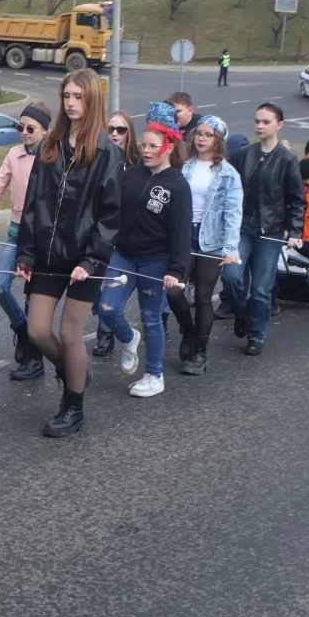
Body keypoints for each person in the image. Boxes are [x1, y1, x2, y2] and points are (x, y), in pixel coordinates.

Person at [15, 68, 122, 437]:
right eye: (67, 96)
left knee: (71, 333)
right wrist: (25, 254)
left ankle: (72, 406)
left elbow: (110, 216)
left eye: (78, 96)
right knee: (38, 329)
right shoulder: (50, 143)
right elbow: (33, 204)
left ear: (91, 99)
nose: (71, 103)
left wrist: (91, 261)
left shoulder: (108, 152)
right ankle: (75, 375)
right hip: (47, 255)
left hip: (86, 261)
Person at [98, 103, 192, 397]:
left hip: (156, 260)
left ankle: (154, 375)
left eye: (153, 145)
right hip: (124, 254)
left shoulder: (178, 185)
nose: (146, 150)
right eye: (144, 145)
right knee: (106, 307)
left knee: (152, 317)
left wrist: (176, 270)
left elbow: (181, 232)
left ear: (169, 146)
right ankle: (128, 338)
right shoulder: (132, 175)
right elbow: (111, 212)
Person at [167, 115, 244, 376]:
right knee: (174, 292)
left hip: (211, 240)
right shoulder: (184, 166)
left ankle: (199, 352)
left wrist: (231, 249)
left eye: (207, 135)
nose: (200, 138)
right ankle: (188, 331)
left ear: (218, 140)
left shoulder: (228, 174)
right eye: (198, 133)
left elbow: (233, 214)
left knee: (202, 297)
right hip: (184, 236)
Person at [228, 103, 306, 355]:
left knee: (262, 287)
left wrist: (295, 231)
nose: (259, 126)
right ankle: (242, 312)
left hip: (270, 230)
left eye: (265, 122)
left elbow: (297, 199)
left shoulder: (287, 159)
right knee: (231, 275)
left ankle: (256, 335)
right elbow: (230, 189)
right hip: (243, 225)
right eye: (257, 121)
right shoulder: (244, 154)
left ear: (279, 125)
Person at [0, 103, 50, 380]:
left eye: (30, 128)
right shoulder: (13, 154)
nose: (24, 132)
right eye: (19, 127)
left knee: (34, 296)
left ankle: (35, 359)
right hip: (15, 232)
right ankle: (22, 330)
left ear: (45, 130)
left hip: (43, 236)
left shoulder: (52, 157)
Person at [92, 110, 142, 358]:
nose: (114, 134)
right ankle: (104, 322)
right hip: (98, 229)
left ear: (129, 133)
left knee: (110, 285)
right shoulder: (98, 157)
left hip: (123, 235)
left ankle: (105, 334)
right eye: (110, 128)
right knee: (87, 283)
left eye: (120, 129)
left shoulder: (137, 162)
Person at [214, 133, 252, 322]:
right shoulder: (225, 173)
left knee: (257, 272)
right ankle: (231, 301)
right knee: (232, 271)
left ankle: (264, 302)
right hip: (232, 226)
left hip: (251, 226)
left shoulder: (246, 172)